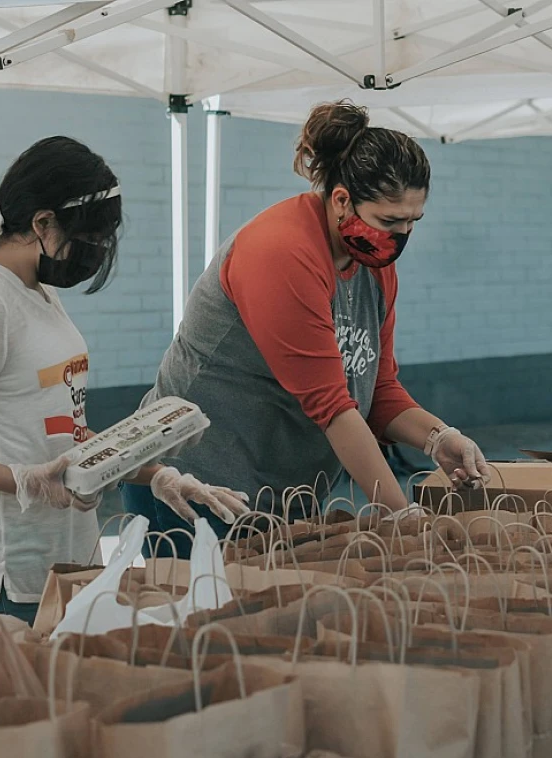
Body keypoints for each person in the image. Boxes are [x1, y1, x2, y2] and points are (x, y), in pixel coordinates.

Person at [0, 136, 248, 626]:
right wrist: (20, 480)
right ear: (42, 223)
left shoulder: (35, 294)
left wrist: (154, 472)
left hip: (60, 562)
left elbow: (62, 438)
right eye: (90, 240)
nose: (96, 253)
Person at [123, 100, 490, 558]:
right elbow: (333, 407)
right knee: (203, 620)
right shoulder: (282, 253)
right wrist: (403, 514)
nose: (400, 237)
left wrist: (439, 437)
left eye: (413, 222)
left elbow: (377, 388)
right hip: (195, 483)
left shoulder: (373, 264)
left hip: (278, 492)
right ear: (341, 200)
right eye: (389, 221)